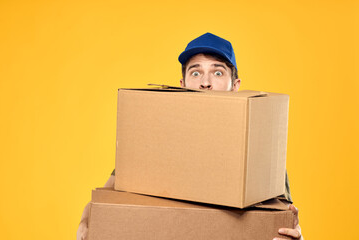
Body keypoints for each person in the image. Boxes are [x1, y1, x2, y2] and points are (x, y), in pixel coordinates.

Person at [77, 32, 303, 240]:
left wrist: (297, 237)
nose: (205, 82)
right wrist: (86, 219)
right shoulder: (153, 142)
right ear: (182, 85)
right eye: (196, 72)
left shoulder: (260, 152)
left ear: (235, 86)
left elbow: (284, 221)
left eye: (217, 72)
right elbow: (105, 199)